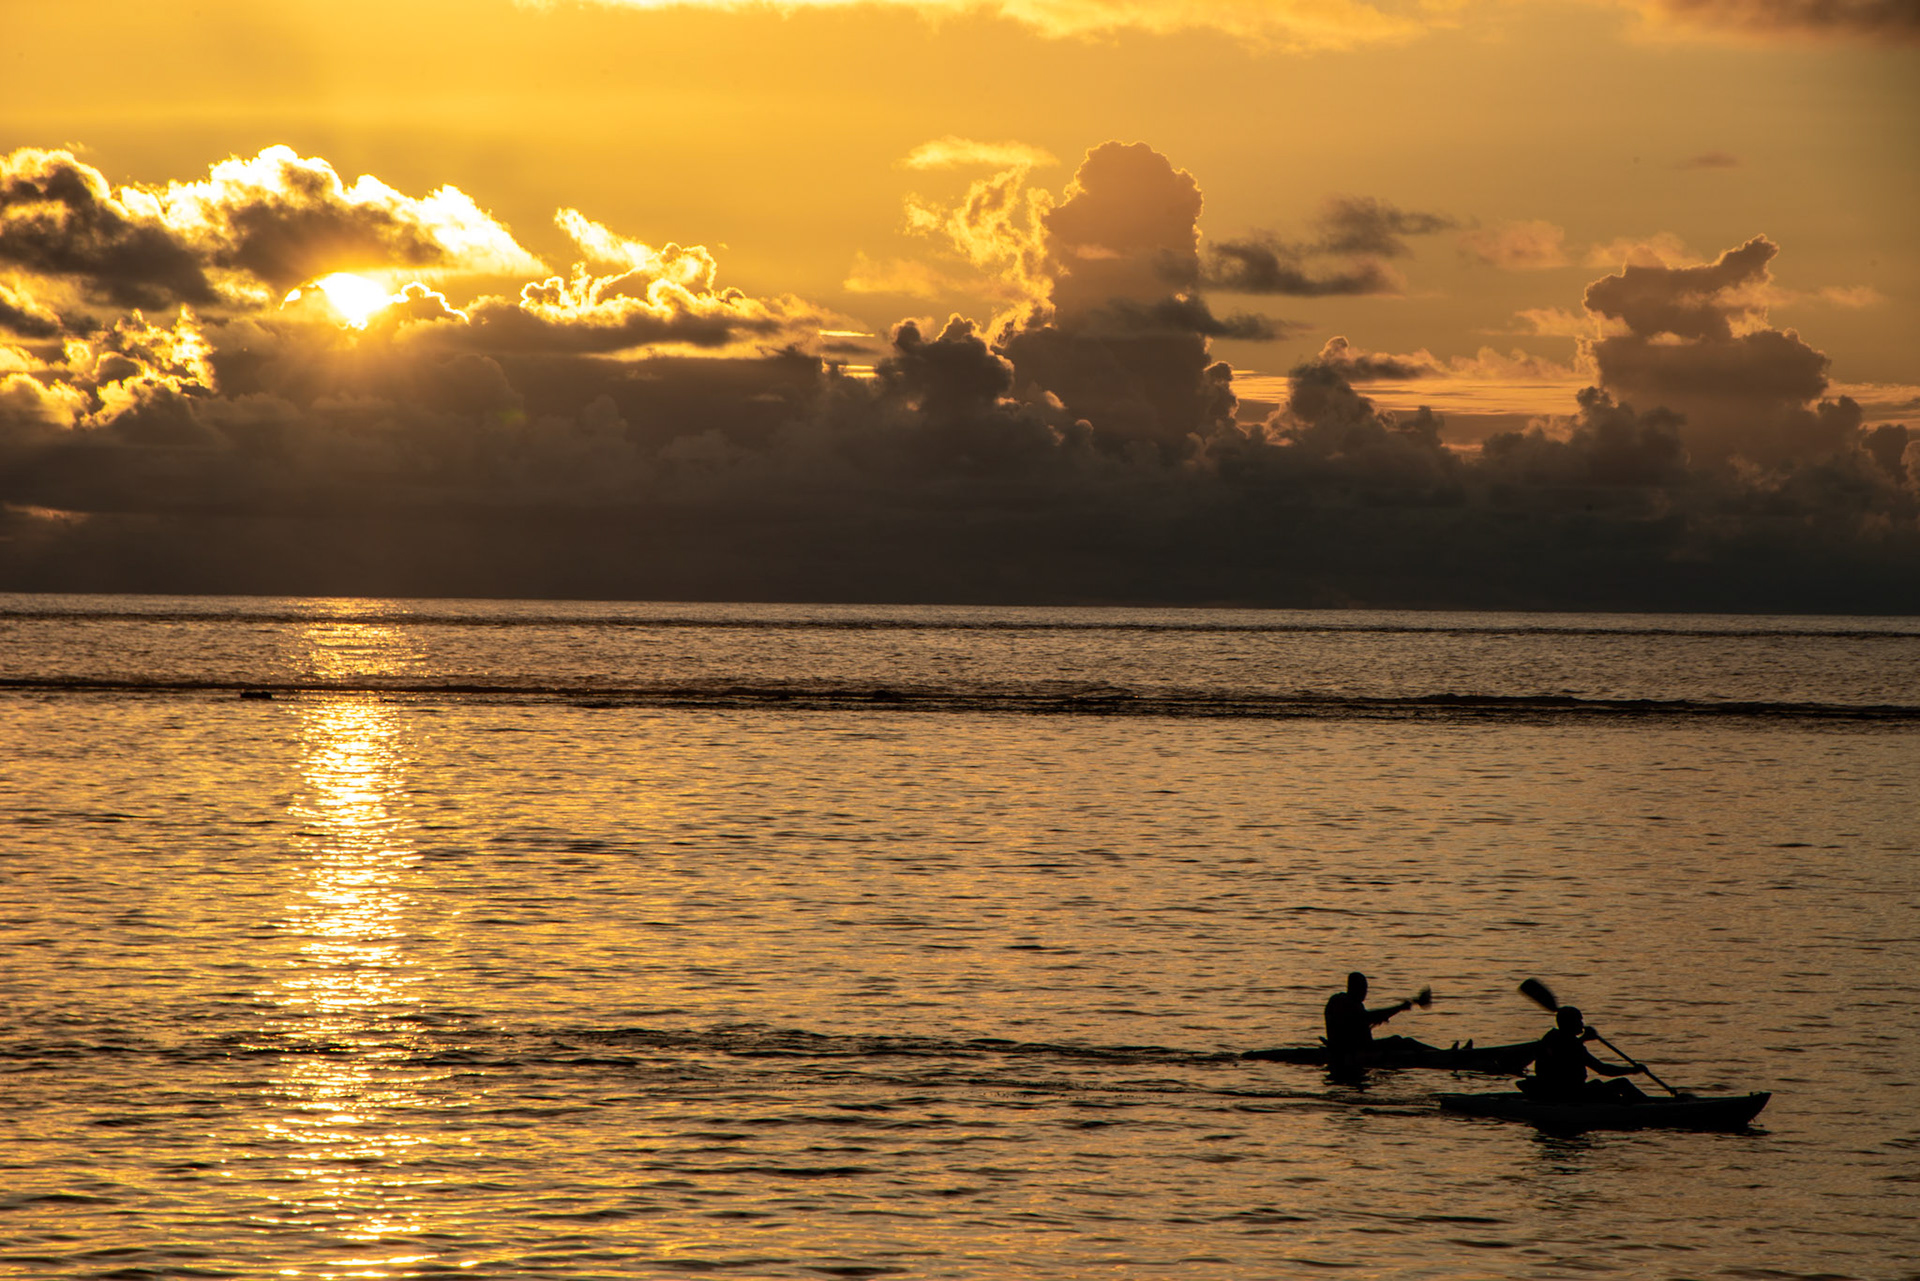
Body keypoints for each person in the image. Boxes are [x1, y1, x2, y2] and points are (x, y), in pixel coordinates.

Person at [1520, 1006, 1649, 1103]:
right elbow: (1602, 1069)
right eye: (1579, 1020)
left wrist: (1583, 1038)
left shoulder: (1552, 1038)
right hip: (1568, 1094)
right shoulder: (1568, 1044)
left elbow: (1566, 1046)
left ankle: (1641, 1104)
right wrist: (1633, 1070)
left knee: (1600, 1085)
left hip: (1565, 1092)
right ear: (1570, 1023)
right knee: (1622, 1084)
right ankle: (1646, 1108)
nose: (1582, 1024)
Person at [1323, 972, 1425, 1060]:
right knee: (1403, 1042)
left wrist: (1377, 1019)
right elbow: (1364, 1018)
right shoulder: (1341, 1002)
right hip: (1352, 1050)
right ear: (1352, 987)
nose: (1365, 992)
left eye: (1365, 989)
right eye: (1362, 988)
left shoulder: (1354, 1003)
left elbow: (1360, 1021)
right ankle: (1437, 1055)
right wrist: (1399, 1008)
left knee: (1401, 1041)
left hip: (1358, 1047)